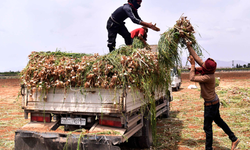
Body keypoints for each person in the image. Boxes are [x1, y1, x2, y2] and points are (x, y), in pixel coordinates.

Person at [186, 41, 240, 150]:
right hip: (214, 102)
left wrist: (193, 66)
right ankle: (234, 139)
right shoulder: (208, 70)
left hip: (210, 105)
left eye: (204, 65)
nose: (203, 64)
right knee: (219, 120)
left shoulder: (208, 77)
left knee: (207, 128)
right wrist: (188, 46)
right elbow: (197, 57)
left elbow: (192, 78)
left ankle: (209, 148)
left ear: (207, 69)